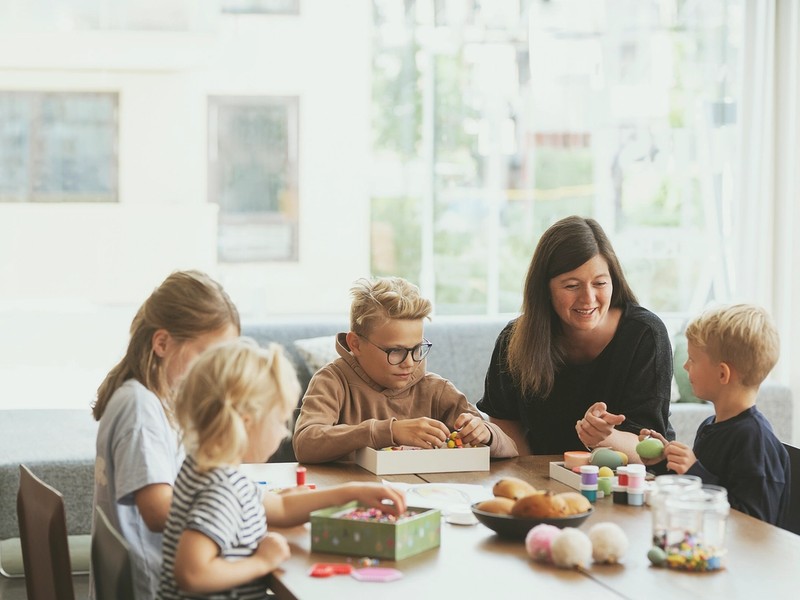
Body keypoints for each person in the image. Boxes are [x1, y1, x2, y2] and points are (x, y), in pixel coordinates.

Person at [159, 339, 407, 598]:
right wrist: (262, 562)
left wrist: (353, 492)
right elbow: (191, 574)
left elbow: (281, 508)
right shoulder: (221, 491)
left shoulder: (205, 469)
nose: (283, 434)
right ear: (245, 425)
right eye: (279, 421)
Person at [91, 270, 241, 600]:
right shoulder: (140, 408)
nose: (214, 373)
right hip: (153, 586)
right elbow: (158, 512)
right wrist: (235, 507)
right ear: (162, 343)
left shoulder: (153, 399)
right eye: (208, 356)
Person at [476, 215, 674, 459]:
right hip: (542, 482)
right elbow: (506, 429)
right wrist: (534, 478)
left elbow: (650, 452)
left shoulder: (644, 335)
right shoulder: (514, 340)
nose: (588, 298)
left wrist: (604, 437)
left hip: (628, 482)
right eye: (571, 286)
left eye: (600, 283)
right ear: (545, 288)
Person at [293, 276, 518, 463]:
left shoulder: (437, 390)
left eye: (417, 349)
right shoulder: (333, 381)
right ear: (356, 344)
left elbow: (510, 448)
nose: (409, 363)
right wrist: (390, 432)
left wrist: (487, 434)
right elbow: (305, 443)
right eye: (396, 351)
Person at [639, 304, 790, 526]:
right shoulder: (711, 425)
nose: (685, 365)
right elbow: (701, 487)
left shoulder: (754, 440)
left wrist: (695, 472)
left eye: (693, 360)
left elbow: (756, 523)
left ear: (722, 373)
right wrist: (666, 462)